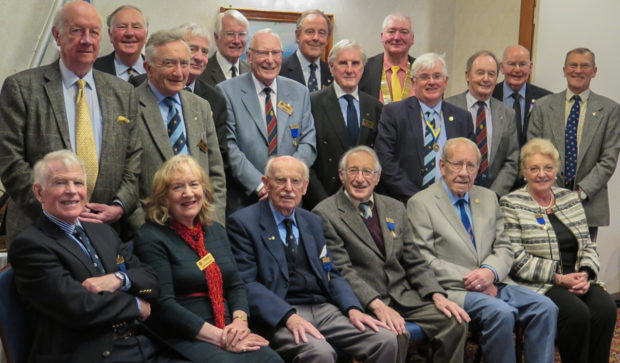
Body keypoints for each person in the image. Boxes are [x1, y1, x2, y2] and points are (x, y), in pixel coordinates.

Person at [227, 156, 398, 362]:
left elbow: (331, 273)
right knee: (320, 352)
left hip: (324, 309)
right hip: (280, 313)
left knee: (386, 339)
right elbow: (247, 284)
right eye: (280, 180)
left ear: (305, 187)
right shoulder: (243, 223)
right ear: (266, 183)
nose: (288, 188)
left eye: (296, 181)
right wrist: (289, 317)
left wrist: (353, 308)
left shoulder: (313, 221)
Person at [0, 1, 142, 244]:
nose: (87, 40)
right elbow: (9, 161)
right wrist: (59, 210)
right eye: (77, 30)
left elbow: (134, 159)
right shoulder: (22, 88)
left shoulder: (123, 93)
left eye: (94, 32)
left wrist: (119, 205)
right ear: (57, 35)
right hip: (39, 232)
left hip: (105, 232)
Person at [407, 137, 558, 363]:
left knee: (545, 307)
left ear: (479, 169)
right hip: (455, 289)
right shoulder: (421, 203)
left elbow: (504, 247)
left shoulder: (488, 197)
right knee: (500, 313)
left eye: (471, 166)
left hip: (495, 281)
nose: (464, 172)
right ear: (442, 166)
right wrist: (475, 281)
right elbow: (424, 259)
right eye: (457, 164)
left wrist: (489, 272)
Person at [313, 146, 469, 363]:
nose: (360, 179)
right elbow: (342, 271)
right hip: (365, 303)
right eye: (353, 171)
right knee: (395, 335)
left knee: (455, 322)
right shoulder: (325, 213)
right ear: (341, 176)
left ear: (377, 178)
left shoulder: (395, 207)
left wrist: (436, 294)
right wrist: (376, 305)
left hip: (404, 296)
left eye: (367, 172)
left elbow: (414, 260)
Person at [8, 150, 163, 362]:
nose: (71, 191)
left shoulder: (103, 231)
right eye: (60, 183)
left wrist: (118, 279)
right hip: (89, 353)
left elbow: (151, 279)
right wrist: (137, 305)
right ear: (39, 192)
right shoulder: (30, 246)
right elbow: (79, 306)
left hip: (142, 344)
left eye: (78, 183)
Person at [133, 155, 282, 363]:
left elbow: (236, 285)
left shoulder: (216, 231)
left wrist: (240, 324)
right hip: (183, 333)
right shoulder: (151, 236)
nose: (188, 193)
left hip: (229, 327)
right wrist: (222, 338)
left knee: (272, 360)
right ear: (163, 197)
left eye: (194, 184)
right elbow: (163, 304)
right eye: (177, 187)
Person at [499, 138, 617, 363]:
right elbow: (516, 259)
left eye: (548, 168)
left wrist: (585, 273)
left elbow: (588, 244)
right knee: (576, 314)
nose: (541, 174)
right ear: (524, 171)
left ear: (556, 170)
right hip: (541, 283)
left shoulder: (568, 199)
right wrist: (560, 278)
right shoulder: (511, 203)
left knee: (606, 308)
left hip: (576, 277)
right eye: (534, 168)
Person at [131, 29, 226, 231]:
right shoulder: (128, 105)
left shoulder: (201, 106)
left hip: (201, 227)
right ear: (148, 68)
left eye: (184, 63)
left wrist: (214, 225)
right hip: (152, 228)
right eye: (169, 63)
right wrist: (143, 231)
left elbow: (216, 174)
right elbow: (125, 178)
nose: (179, 72)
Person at [217, 29, 316, 215]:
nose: (270, 60)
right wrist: (262, 186)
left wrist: (287, 183)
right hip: (246, 202)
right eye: (263, 53)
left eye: (275, 53)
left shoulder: (299, 92)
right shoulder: (226, 92)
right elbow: (229, 146)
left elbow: (308, 143)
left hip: (290, 202)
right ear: (249, 56)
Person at [527, 47, 620, 241]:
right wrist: (550, 191)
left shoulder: (610, 110)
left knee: (583, 267)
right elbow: (532, 152)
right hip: (546, 201)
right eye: (573, 65)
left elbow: (608, 159)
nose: (578, 70)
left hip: (588, 205)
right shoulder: (543, 106)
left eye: (584, 66)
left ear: (594, 71)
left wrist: (580, 194)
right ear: (564, 70)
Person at [374, 52, 473, 202]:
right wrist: (420, 199)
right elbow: (385, 161)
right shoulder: (393, 113)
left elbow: (471, 162)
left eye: (437, 76)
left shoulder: (462, 118)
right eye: (424, 77)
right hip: (404, 201)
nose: (431, 82)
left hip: (450, 201)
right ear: (413, 83)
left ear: (445, 81)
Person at [305, 39, 382, 209]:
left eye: (355, 63)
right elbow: (306, 159)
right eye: (342, 63)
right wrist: (324, 204)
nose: (349, 70)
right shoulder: (312, 103)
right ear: (331, 68)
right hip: (322, 201)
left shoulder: (375, 107)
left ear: (363, 68)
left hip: (363, 201)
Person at [445, 50, 519, 197]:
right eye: (480, 73)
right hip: (451, 192)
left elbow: (512, 160)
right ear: (467, 76)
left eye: (491, 74)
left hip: (492, 196)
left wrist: (493, 194)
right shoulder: (447, 107)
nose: (486, 79)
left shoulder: (507, 113)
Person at [492, 45, 552, 147]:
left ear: (530, 67)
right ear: (501, 67)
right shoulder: (490, 95)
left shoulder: (546, 99)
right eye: (511, 64)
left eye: (522, 64)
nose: (517, 69)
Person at [359, 13, 415, 104]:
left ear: (412, 39)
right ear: (382, 36)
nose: (397, 37)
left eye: (404, 32)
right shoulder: (364, 68)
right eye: (391, 31)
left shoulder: (423, 70)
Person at [279, 9, 333, 91]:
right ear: (297, 36)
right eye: (310, 32)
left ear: (327, 39)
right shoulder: (280, 70)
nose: (316, 38)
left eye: (321, 33)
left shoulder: (332, 73)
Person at [94, 5, 148, 82]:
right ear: (110, 34)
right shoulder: (93, 69)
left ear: (146, 35)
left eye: (136, 27)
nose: (129, 33)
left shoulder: (157, 70)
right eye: (122, 27)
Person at [200, 10, 250, 87]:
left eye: (241, 34)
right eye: (230, 34)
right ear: (216, 37)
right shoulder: (201, 71)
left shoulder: (251, 71)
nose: (236, 41)